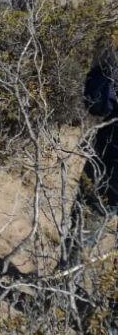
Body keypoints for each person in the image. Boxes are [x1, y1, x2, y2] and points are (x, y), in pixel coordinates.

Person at [63, 44, 118, 269]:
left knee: (82, 233)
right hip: (109, 164)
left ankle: (61, 293)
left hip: (109, 165)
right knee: (83, 232)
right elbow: (98, 104)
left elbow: (97, 104)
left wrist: (106, 67)